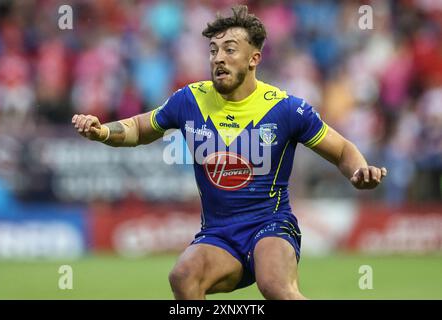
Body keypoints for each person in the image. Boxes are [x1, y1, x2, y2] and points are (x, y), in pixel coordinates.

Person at [72, 5, 387, 300]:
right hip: (219, 234)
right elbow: (139, 129)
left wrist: (358, 172)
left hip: (271, 224)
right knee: (183, 276)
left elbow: (343, 149)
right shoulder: (188, 100)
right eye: (213, 50)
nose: (218, 58)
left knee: (275, 286)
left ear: (254, 58)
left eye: (229, 50)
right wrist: (102, 131)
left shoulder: (286, 108)